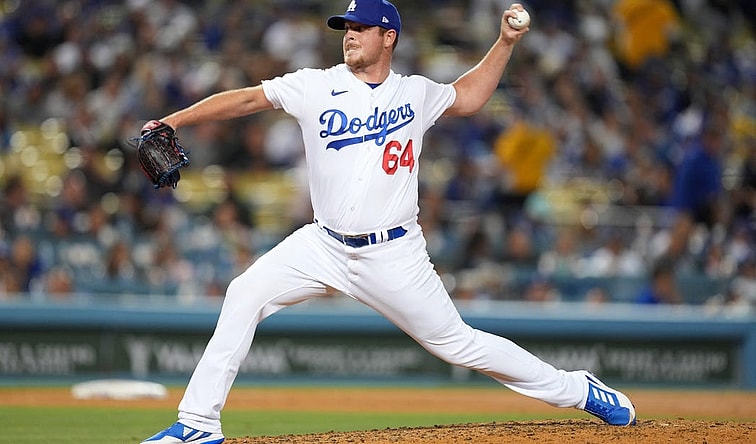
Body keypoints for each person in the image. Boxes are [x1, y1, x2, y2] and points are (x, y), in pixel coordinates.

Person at [140, 2, 636, 443]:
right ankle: (198, 424)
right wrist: (175, 121)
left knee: (459, 344)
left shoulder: (414, 94)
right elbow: (248, 99)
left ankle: (577, 389)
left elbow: (469, 97)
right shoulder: (316, 84)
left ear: (388, 37)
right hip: (322, 244)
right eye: (346, 27)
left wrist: (505, 43)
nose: (350, 34)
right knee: (243, 292)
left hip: (393, 253)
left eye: (361, 27)